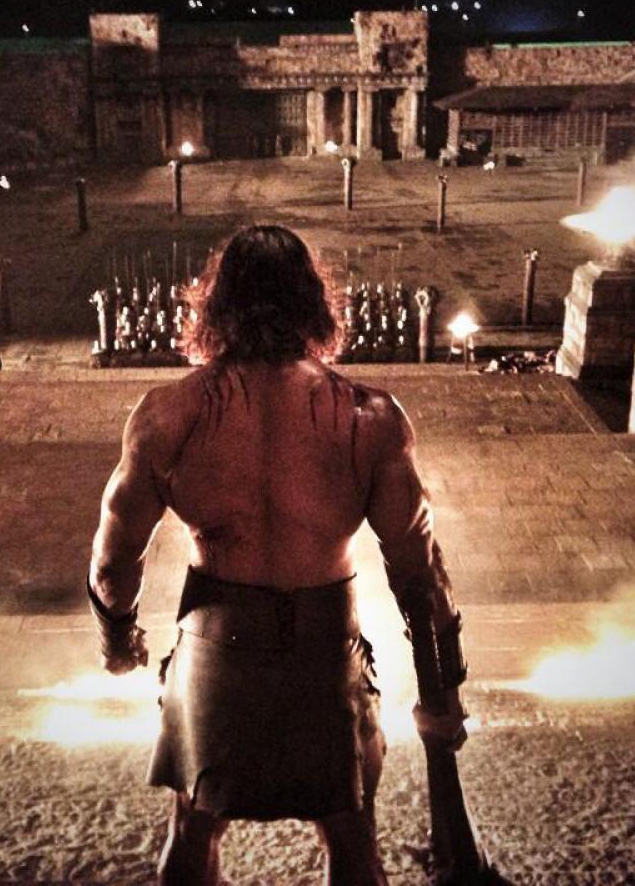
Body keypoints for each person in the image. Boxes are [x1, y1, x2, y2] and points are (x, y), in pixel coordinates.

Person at [87, 225, 469, 886]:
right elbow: (419, 574)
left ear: (217, 304)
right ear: (313, 303)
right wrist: (443, 692)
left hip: (216, 655)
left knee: (193, 830)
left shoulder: (166, 416)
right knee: (352, 839)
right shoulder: (371, 419)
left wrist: (118, 639)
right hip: (324, 660)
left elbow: (113, 563)